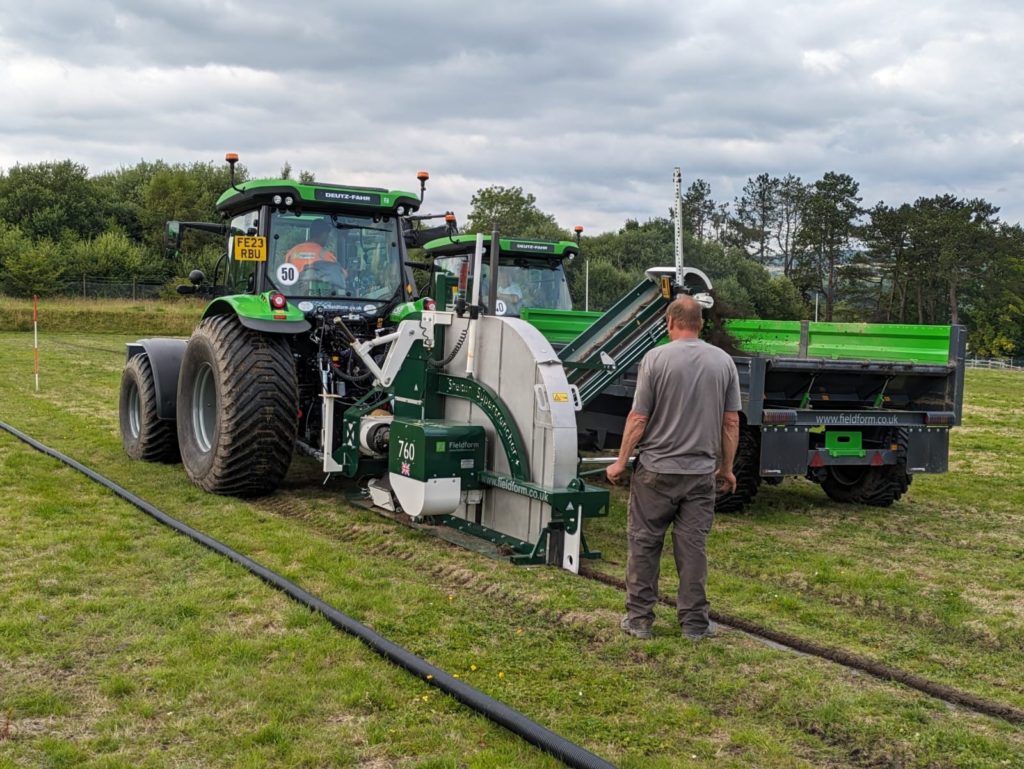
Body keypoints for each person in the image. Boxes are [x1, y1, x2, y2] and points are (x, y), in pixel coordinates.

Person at [606, 295, 740, 641]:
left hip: (655, 472)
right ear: (700, 324)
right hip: (700, 475)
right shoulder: (723, 362)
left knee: (645, 544)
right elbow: (730, 423)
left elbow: (638, 418)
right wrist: (726, 468)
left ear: (669, 322)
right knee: (693, 548)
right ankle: (695, 624)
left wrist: (621, 461)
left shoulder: (655, 359)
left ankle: (639, 620)